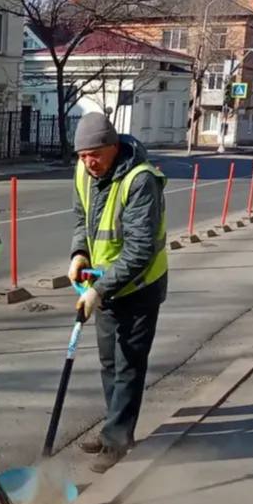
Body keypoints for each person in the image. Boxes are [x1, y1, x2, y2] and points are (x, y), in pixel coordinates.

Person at [66, 112, 168, 473]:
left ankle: (118, 440)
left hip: (140, 287)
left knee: (128, 364)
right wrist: (79, 252)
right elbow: (83, 220)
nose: (88, 162)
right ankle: (114, 426)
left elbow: (140, 250)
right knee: (109, 361)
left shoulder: (141, 181)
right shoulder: (84, 172)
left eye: (94, 154)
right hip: (104, 285)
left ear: (113, 147)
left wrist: (100, 289)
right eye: (81, 155)